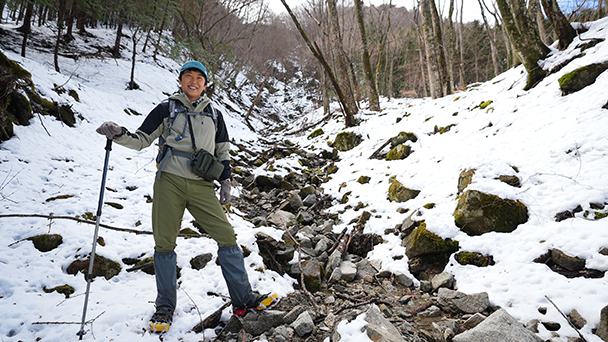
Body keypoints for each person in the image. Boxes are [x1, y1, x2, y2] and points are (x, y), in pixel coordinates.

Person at [96, 61, 277, 333]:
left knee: (227, 236)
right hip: (169, 182)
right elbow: (142, 139)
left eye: (199, 78)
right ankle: (165, 306)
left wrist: (226, 180)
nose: (193, 81)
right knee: (164, 243)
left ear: (205, 84)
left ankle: (243, 300)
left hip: (202, 185)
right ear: (180, 80)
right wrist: (119, 134)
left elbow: (222, 150)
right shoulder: (165, 109)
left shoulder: (215, 113)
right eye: (188, 76)